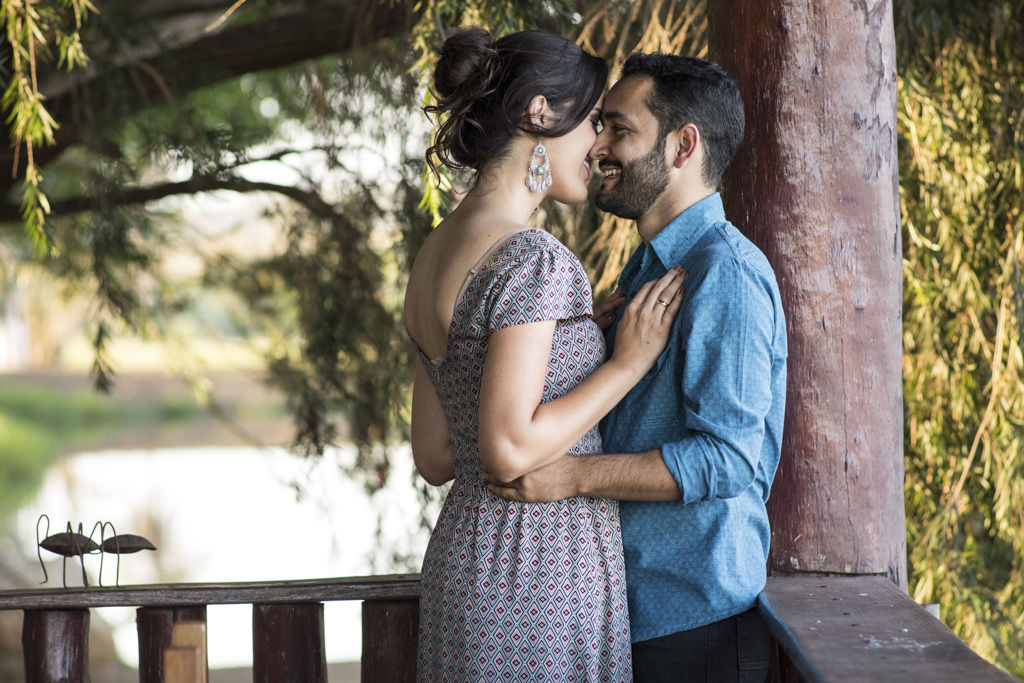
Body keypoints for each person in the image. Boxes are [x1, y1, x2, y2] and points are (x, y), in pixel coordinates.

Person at [490, 53, 789, 682]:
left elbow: (729, 459)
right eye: (600, 128)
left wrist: (572, 478)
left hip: (693, 625)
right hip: (627, 616)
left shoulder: (724, 274)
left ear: (684, 147)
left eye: (618, 130)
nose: (596, 146)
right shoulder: (646, 271)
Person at [403, 29, 685, 681]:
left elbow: (438, 455)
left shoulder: (433, 253)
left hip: (466, 565)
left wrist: (575, 338)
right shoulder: (533, 258)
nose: (601, 146)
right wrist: (626, 363)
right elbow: (507, 447)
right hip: (539, 573)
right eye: (592, 121)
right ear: (539, 112)